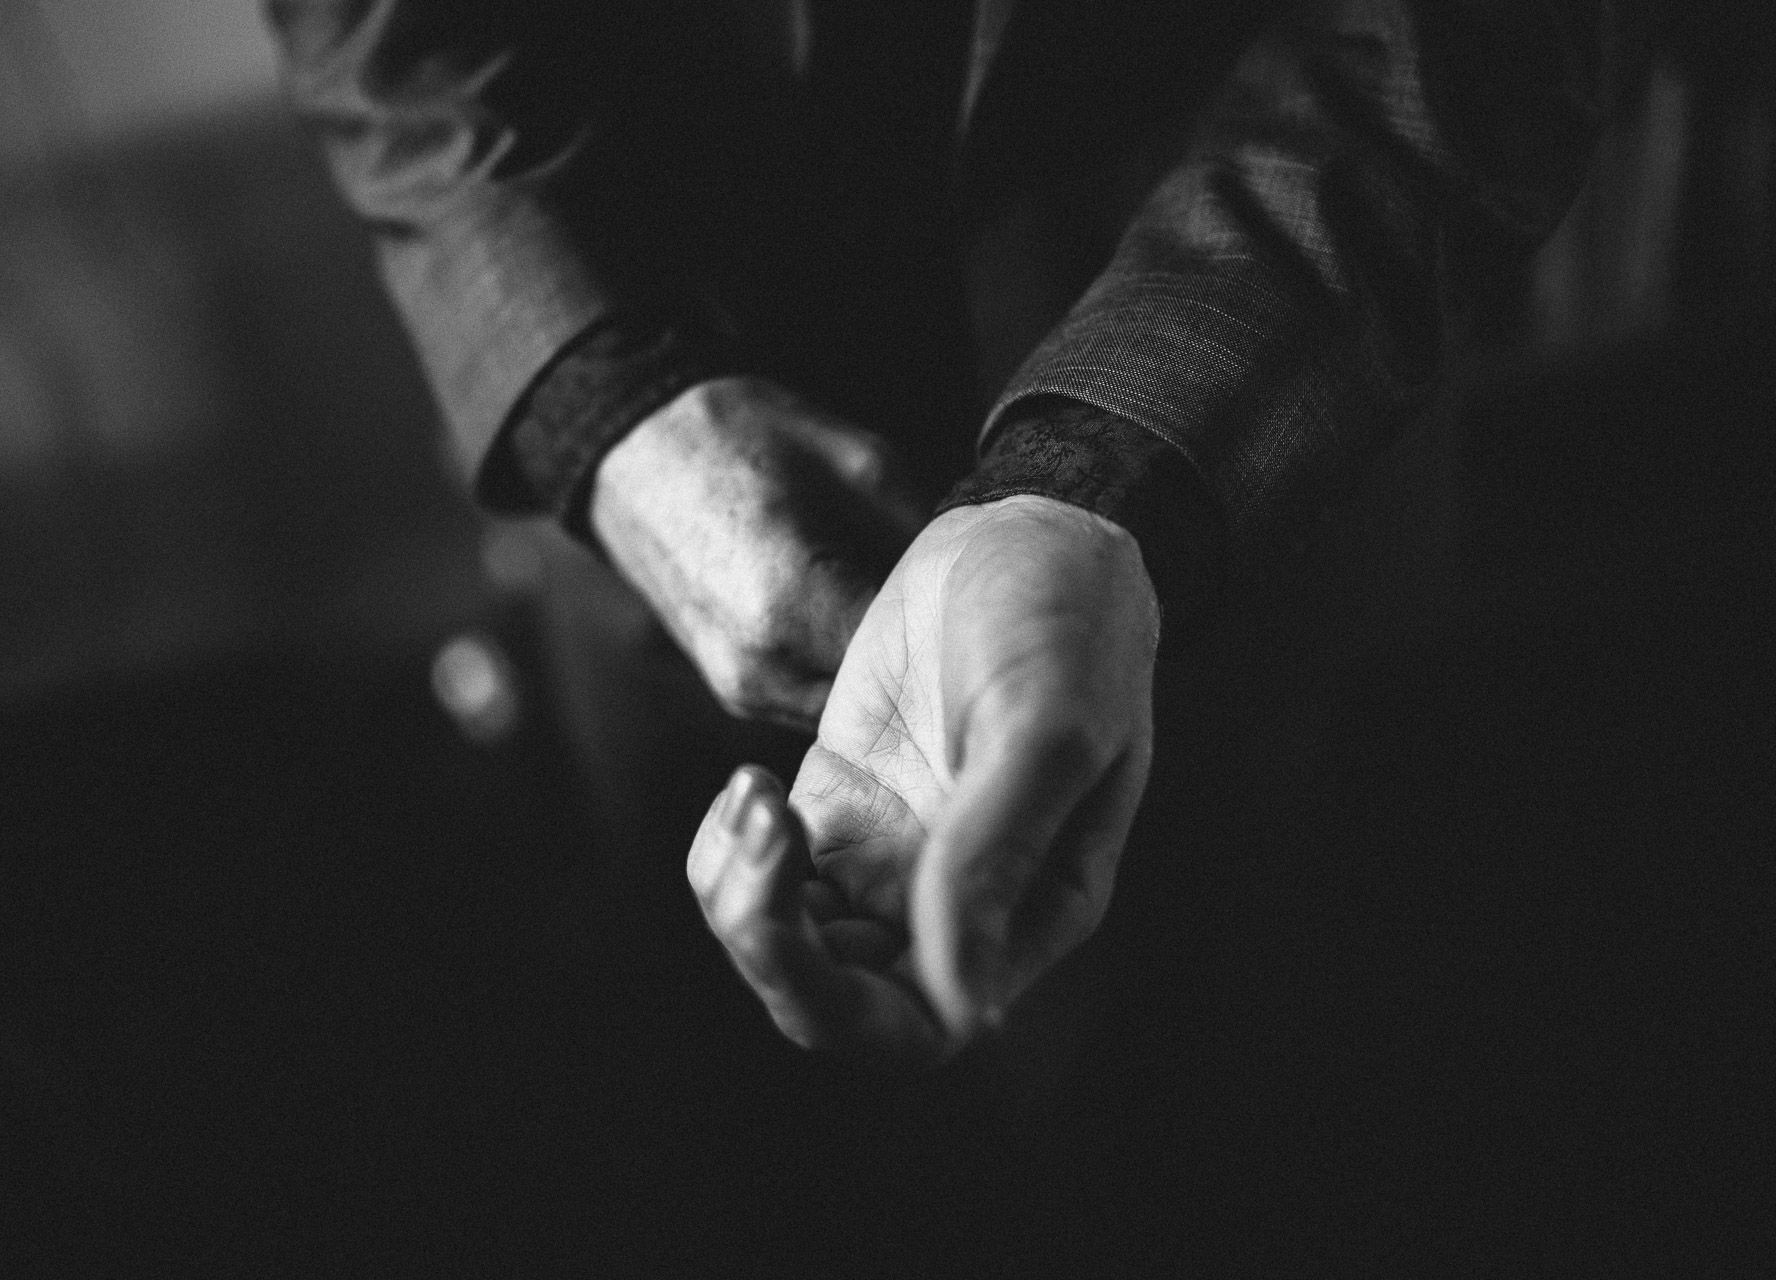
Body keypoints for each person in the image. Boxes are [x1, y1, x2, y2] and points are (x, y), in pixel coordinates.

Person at [265, 0, 1652, 1065]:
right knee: (734, 1092)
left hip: (1252, 448)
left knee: (1279, 1047)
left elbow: (1472, 36)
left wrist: (1099, 477)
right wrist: (601, 409)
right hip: (661, 512)